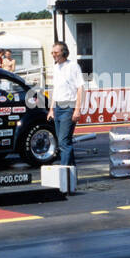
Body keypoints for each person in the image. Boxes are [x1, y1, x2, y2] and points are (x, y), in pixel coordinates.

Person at [49, 41, 86, 173]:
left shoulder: (73, 66)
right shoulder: (55, 67)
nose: (53, 55)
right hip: (58, 107)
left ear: (63, 52)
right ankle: (71, 175)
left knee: (64, 143)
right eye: (52, 52)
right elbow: (55, 89)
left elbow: (80, 88)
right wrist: (51, 109)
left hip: (69, 107)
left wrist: (77, 109)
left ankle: (63, 175)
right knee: (64, 142)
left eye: (56, 52)